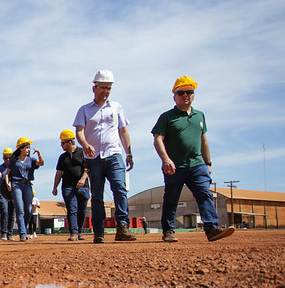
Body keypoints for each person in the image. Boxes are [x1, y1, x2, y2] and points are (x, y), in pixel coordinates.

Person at [151, 76, 234, 243]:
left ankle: (211, 229)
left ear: (194, 95)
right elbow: (158, 139)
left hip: (197, 164)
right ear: (174, 96)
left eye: (189, 92)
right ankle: (168, 231)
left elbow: (203, 141)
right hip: (174, 166)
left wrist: (208, 163)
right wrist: (166, 159)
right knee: (171, 199)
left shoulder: (200, 116)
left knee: (204, 193)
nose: (185, 95)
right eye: (181, 92)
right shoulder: (167, 117)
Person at [73, 70, 136, 243]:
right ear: (94, 88)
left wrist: (129, 152)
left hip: (114, 155)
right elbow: (79, 131)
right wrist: (85, 144)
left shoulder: (116, 107)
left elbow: (123, 131)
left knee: (120, 189)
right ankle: (98, 231)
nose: (105, 91)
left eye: (108, 88)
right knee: (98, 196)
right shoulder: (84, 110)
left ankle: (122, 226)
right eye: (102, 88)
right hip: (94, 159)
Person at [52, 129, 90, 241]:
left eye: (62, 143)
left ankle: (80, 232)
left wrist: (83, 179)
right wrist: (55, 187)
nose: (61, 145)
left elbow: (87, 168)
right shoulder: (62, 157)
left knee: (82, 211)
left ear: (69, 142)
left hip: (83, 187)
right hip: (68, 187)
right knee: (71, 209)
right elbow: (59, 173)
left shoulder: (83, 152)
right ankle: (73, 233)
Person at [6, 137, 44, 242]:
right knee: (19, 209)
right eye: (27, 148)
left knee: (28, 209)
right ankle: (23, 234)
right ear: (21, 148)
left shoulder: (31, 160)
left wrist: (39, 154)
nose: (28, 150)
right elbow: (7, 174)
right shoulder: (14, 160)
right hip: (16, 184)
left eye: (29, 148)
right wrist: (8, 183)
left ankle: (23, 227)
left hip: (27, 185)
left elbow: (41, 163)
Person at [0, 148, 14, 241]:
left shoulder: (15, 168)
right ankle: (4, 233)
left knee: (11, 214)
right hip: (2, 193)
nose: (8, 160)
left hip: (13, 193)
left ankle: (10, 233)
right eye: (6, 158)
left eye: (10, 158)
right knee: (4, 212)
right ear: (3, 158)